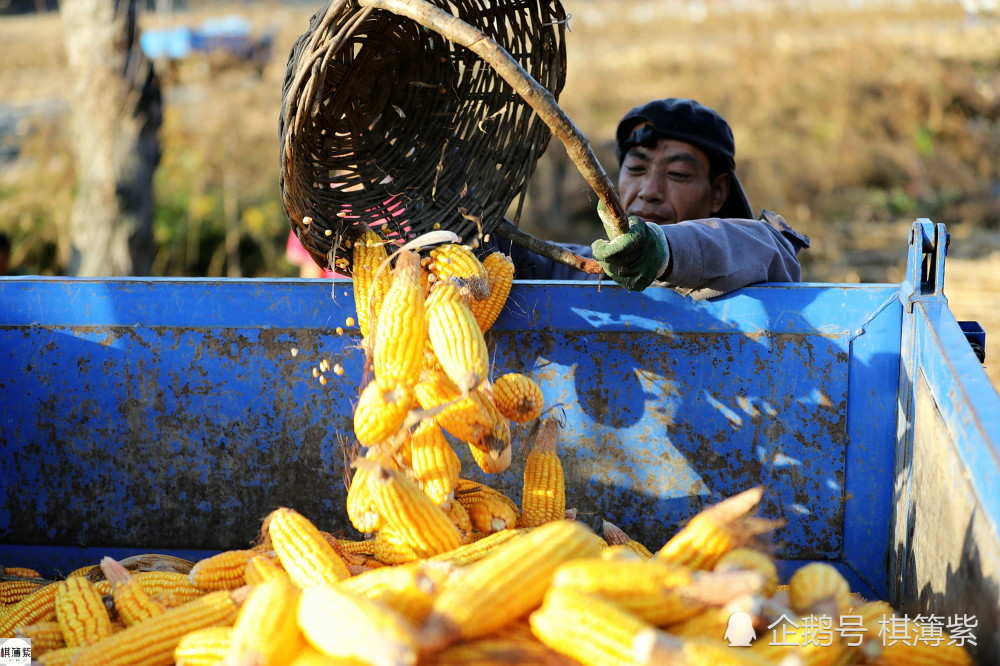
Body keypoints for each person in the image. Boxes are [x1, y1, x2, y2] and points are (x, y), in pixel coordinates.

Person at [491, 98, 810, 300]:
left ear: (718, 193)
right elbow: (530, 260)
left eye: (678, 174)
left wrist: (662, 251)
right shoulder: (588, 272)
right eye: (636, 168)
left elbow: (768, 249)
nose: (649, 190)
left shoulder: (755, 258)